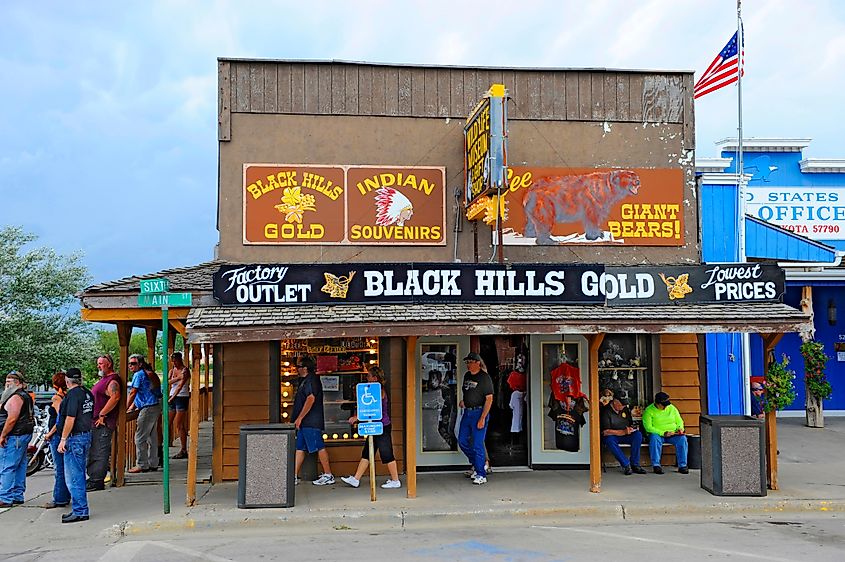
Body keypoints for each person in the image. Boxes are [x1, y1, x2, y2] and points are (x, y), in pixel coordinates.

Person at [341, 366, 401, 489]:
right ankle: (356, 479)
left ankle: (395, 480)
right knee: (368, 453)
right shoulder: (376, 389)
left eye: (368, 376)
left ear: (375, 377)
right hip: (374, 426)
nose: (366, 378)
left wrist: (357, 417)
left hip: (381, 426)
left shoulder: (378, 390)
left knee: (386, 453)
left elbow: (370, 407)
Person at [56, 368, 94, 523]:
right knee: (78, 473)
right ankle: (80, 509)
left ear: (67, 381)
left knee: (74, 477)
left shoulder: (72, 395)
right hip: (85, 435)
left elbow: (70, 418)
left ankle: (80, 511)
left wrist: (63, 439)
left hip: (74, 438)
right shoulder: (87, 393)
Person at [292, 356, 335, 486]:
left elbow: (311, 399)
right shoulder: (304, 381)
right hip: (304, 423)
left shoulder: (311, 380)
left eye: (298, 367)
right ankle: (293, 476)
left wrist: (300, 417)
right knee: (300, 448)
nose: (297, 369)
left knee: (319, 446)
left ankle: (328, 474)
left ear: (305, 368)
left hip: (311, 421)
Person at [0, 371, 35, 508]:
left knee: (7, 466)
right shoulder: (23, 395)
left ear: (18, 383)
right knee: (20, 465)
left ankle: (5, 496)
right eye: (7, 381)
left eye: (10, 382)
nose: (7, 384)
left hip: (15, 435)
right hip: (22, 434)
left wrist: (3, 435)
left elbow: (12, 419)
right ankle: (17, 495)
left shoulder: (16, 397)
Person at [87, 354, 122, 491]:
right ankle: (93, 478)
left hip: (103, 423)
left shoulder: (112, 380)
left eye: (101, 363)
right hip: (95, 421)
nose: (98, 366)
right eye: (98, 363)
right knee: (94, 450)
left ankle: (96, 480)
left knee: (99, 451)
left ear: (109, 364)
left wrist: (102, 413)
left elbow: (115, 397)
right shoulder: (104, 380)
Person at [458, 352, 494, 485]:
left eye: (471, 362)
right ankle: (477, 463)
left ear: (478, 363)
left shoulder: (484, 378)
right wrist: (464, 402)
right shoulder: (467, 375)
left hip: (479, 412)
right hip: (467, 412)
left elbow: (489, 399)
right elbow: (469, 392)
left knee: (478, 444)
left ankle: (481, 474)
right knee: (462, 440)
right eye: (467, 362)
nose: (468, 365)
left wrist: (483, 417)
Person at [126, 354, 162, 473]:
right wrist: (132, 407)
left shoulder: (138, 374)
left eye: (133, 363)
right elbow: (141, 394)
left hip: (148, 407)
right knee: (152, 437)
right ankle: (153, 463)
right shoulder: (145, 373)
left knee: (139, 437)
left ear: (140, 364)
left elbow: (133, 392)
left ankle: (142, 464)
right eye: (129, 363)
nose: (130, 366)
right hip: (154, 406)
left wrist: (125, 408)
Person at [642, 391, 689, 474]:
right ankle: (656, 465)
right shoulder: (649, 411)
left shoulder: (672, 408)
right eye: (663, 405)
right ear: (657, 403)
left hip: (673, 434)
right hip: (659, 435)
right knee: (654, 438)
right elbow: (648, 427)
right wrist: (663, 433)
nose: (665, 407)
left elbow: (679, 420)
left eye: (667, 405)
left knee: (682, 439)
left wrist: (680, 428)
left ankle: (682, 465)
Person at [43, 372, 70, 509]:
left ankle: (59, 498)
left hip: (57, 435)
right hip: (64, 434)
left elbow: (60, 419)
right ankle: (65, 495)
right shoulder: (67, 396)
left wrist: (49, 434)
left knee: (59, 468)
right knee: (65, 467)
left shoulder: (57, 398)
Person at [600, 397, 647, 475]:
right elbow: (605, 432)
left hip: (625, 434)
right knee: (609, 440)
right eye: (622, 405)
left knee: (638, 435)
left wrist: (631, 428)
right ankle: (626, 464)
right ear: (615, 402)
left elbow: (630, 423)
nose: (623, 407)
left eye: (625, 405)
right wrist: (623, 432)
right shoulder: (605, 411)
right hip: (612, 435)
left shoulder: (624, 409)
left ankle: (635, 464)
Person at [167, 351, 191, 459]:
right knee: (168, 422)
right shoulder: (172, 370)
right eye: (173, 360)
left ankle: (183, 449)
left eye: (176, 360)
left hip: (181, 397)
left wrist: (172, 397)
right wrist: (177, 378)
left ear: (180, 359)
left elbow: (180, 386)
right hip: (172, 396)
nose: (174, 362)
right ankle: (165, 446)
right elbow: (168, 382)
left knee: (179, 424)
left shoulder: (185, 370)